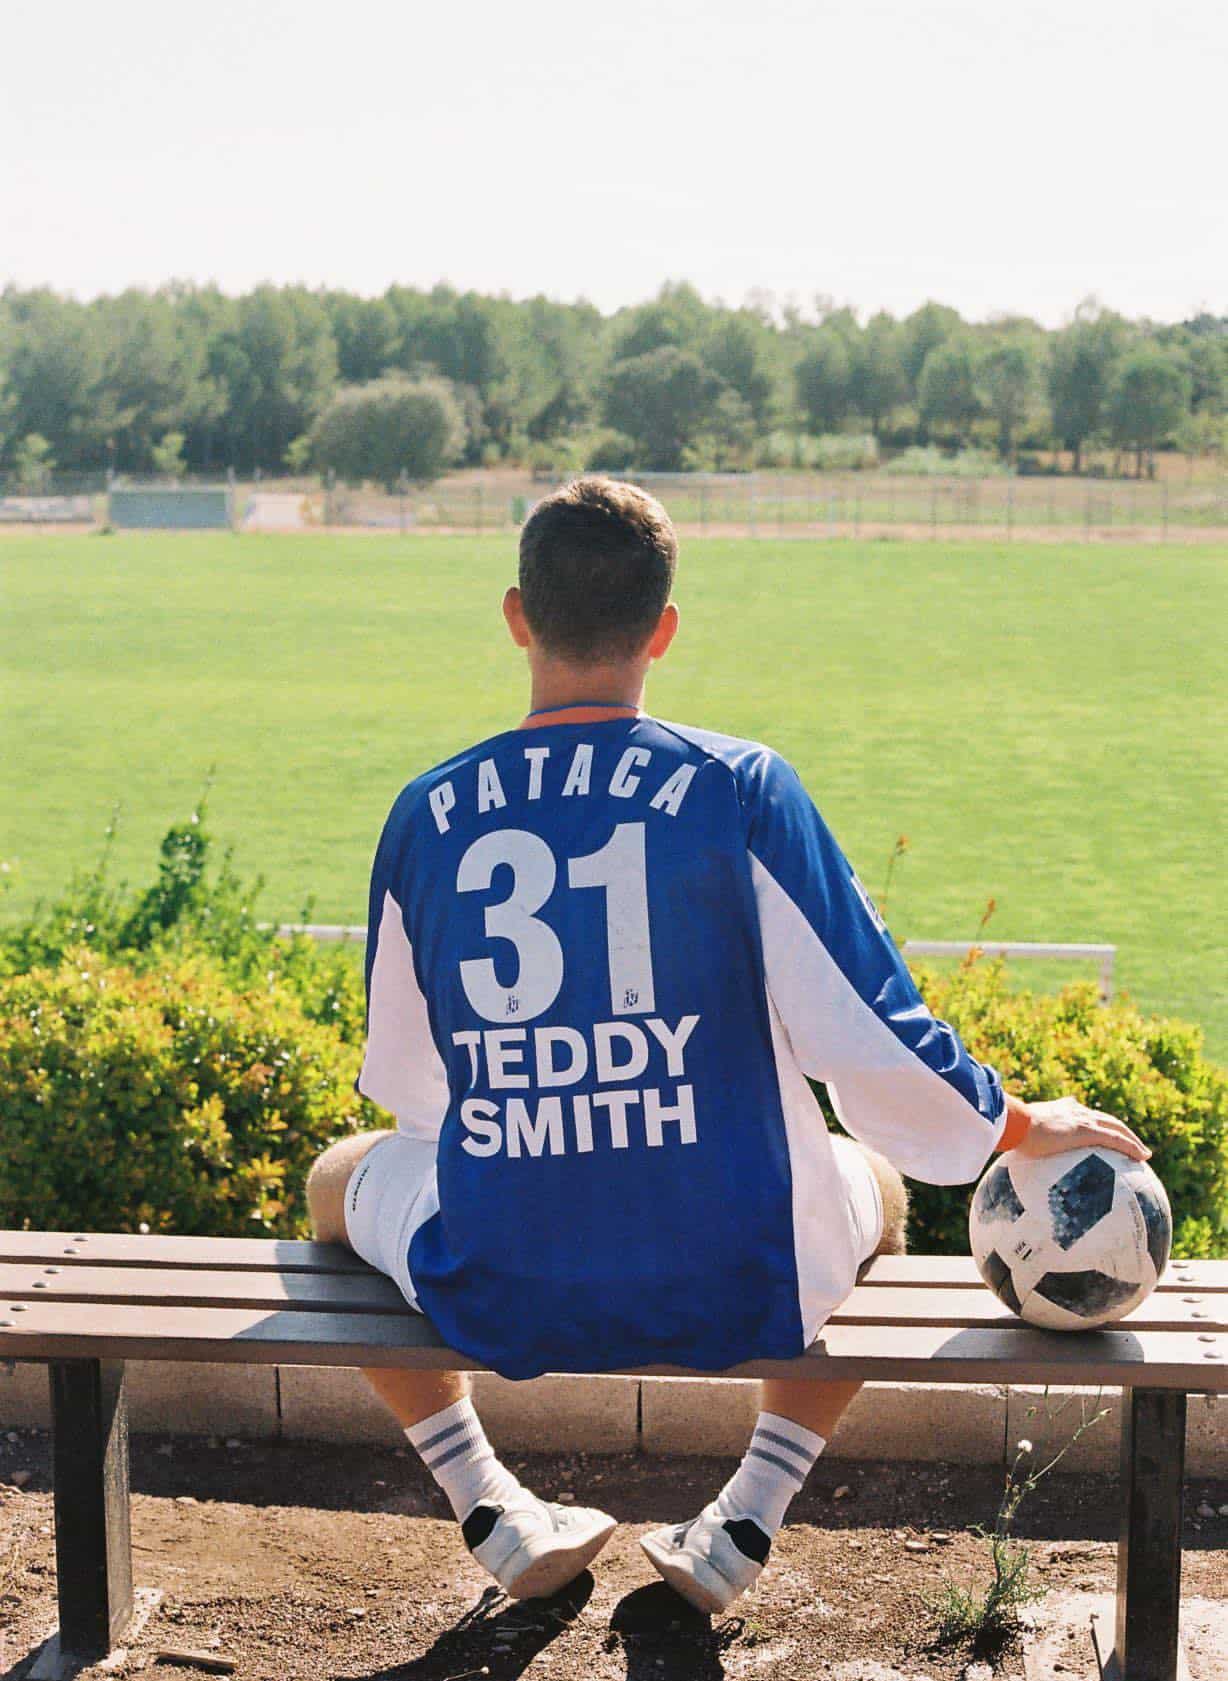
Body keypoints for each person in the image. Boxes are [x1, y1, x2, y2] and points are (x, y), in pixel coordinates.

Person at [307, 477, 1149, 1615]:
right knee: (882, 1191)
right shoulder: (741, 787)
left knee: (334, 1183)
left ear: (517, 616)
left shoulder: (425, 811)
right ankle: (745, 1516)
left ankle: (489, 1505)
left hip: (501, 1282)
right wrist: (1007, 1122)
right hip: (740, 1281)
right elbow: (871, 1032)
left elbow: (417, 1095)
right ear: (662, 630)